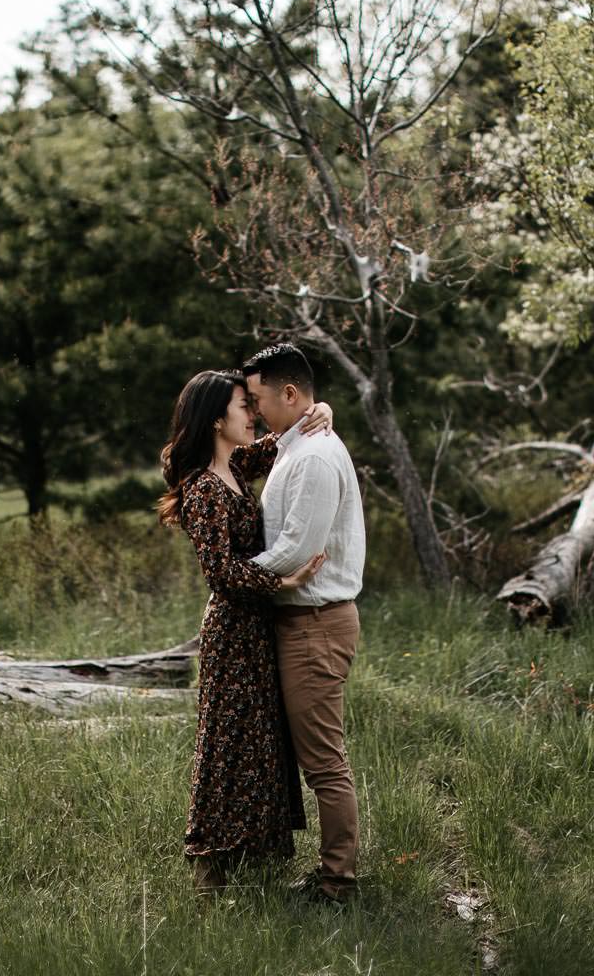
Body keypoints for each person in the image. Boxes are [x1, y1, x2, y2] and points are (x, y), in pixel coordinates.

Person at [158, 369, 330, 895]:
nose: (251, 414)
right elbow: (223, 573)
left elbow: (284, 439)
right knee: (227, 745)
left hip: (254, 628)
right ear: (216, 418)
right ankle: (209, 871)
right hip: (233, 631)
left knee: (257, 743)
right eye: (241, 406)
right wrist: (285, 578)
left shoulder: (233, 464)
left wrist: (320, 412)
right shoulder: (204, 489)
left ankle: (249, 860)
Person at [242, 342, 366, 905]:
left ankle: (338, 885)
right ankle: (326, 873)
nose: (252, 410)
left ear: (290, 394)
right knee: (313, 759)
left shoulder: (314, 456)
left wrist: (231, 577)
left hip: (315, 623)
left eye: (258, 398)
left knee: (324, 763)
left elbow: (297, 549)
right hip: (299, 622)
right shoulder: (294, 444)